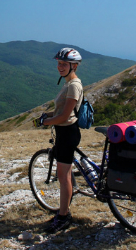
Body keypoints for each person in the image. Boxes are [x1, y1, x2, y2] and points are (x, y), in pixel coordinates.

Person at [36, 47, 83, 233]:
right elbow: (62, 111)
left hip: (67, 133)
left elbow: (64, 116)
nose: (60, 67)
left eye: (64, 64)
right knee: (65, 174)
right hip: (65, 133)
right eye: (58, 63)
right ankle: (65, 208)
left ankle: (63, 216)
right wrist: (46, 115)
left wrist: (46, 122)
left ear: (74, 66)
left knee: (63, 177)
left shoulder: (73, 86)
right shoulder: (67, 83)